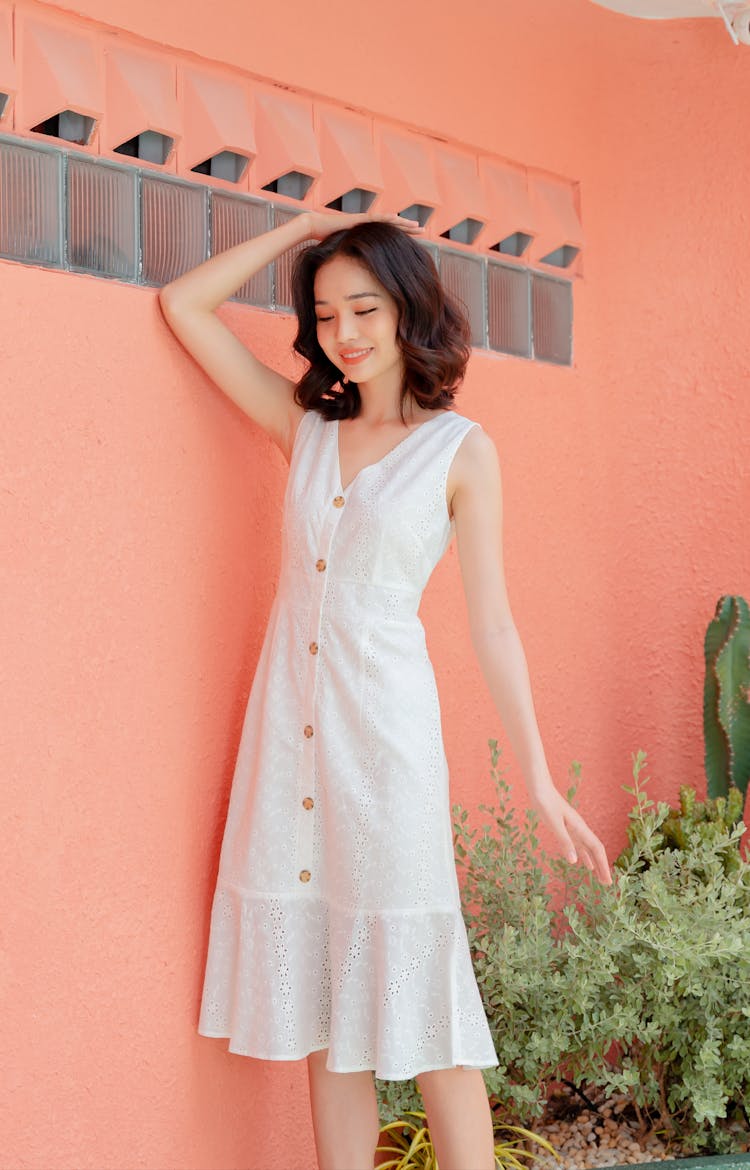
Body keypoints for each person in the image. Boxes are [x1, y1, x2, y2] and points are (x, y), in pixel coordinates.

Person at [158, 210, 612, 1170]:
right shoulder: (305, 427)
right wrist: (297, 232)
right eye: (324, 315)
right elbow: (183, 306)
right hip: (291, 747)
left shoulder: (460, 452)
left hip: (389, 748)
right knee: (330, 1016)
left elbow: (492, 622)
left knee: (430, 1016)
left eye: (364, 307)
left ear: (409, 309)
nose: (344, 333)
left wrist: (537, 778)